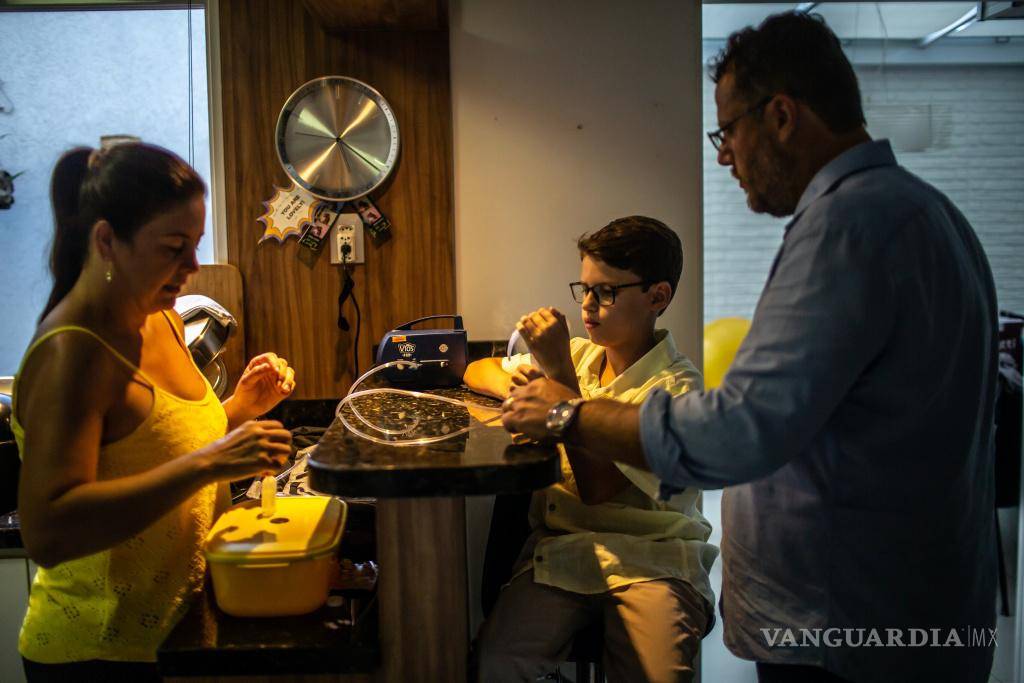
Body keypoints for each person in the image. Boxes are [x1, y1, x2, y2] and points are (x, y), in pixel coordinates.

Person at [501, 12, 998, 683]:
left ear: (782, 115)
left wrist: (568, 412)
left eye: (729, 130)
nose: (723, 155)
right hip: (899, 611)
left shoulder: (848, 228)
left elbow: (739, 430)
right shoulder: (931, 213)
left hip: (846, 630)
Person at [12, 142, 297, 681]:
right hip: (98, 653)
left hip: (176, 631)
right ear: (106, 242)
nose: (192, 266)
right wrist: (212, 464)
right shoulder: (73, 353)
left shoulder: (159, 316)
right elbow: (49, 531)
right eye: (173, 247)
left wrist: (239, 410)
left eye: (195, 244)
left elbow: (152, 446)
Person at [466, 216, 717, 683]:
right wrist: (518, 386)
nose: (588, 306)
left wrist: (557, 377)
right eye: (583, 289)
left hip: (653, 558)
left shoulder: (677, 387)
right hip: (563, 549)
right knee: (497, 663)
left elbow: (599, 486)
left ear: (657, 297)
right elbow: (476, 369)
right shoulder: (582, 355)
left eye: (606, 292)